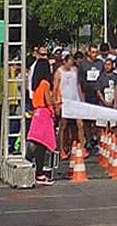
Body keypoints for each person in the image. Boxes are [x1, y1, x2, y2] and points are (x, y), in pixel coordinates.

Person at [27, 49, 56, 184]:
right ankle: (39, 172)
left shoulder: (35, 84)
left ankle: (30, 166)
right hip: (44, 113)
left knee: (36, 142)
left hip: (37, 112)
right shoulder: (45, 83)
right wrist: (54, 105)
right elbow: (48, 100)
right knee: (42, 145)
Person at [53, 51, 84, 159]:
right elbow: (55, 88)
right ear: (65, 61)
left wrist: (81, 100)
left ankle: (81, 147)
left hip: (75, 101)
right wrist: (56, 104)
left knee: (79, 124)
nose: (71, 63)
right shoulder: (59, 72)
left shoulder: (75, 71)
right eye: (69, 61)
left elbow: (78, 85)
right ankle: (61, 149)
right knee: (63, 126)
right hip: (64, 102)